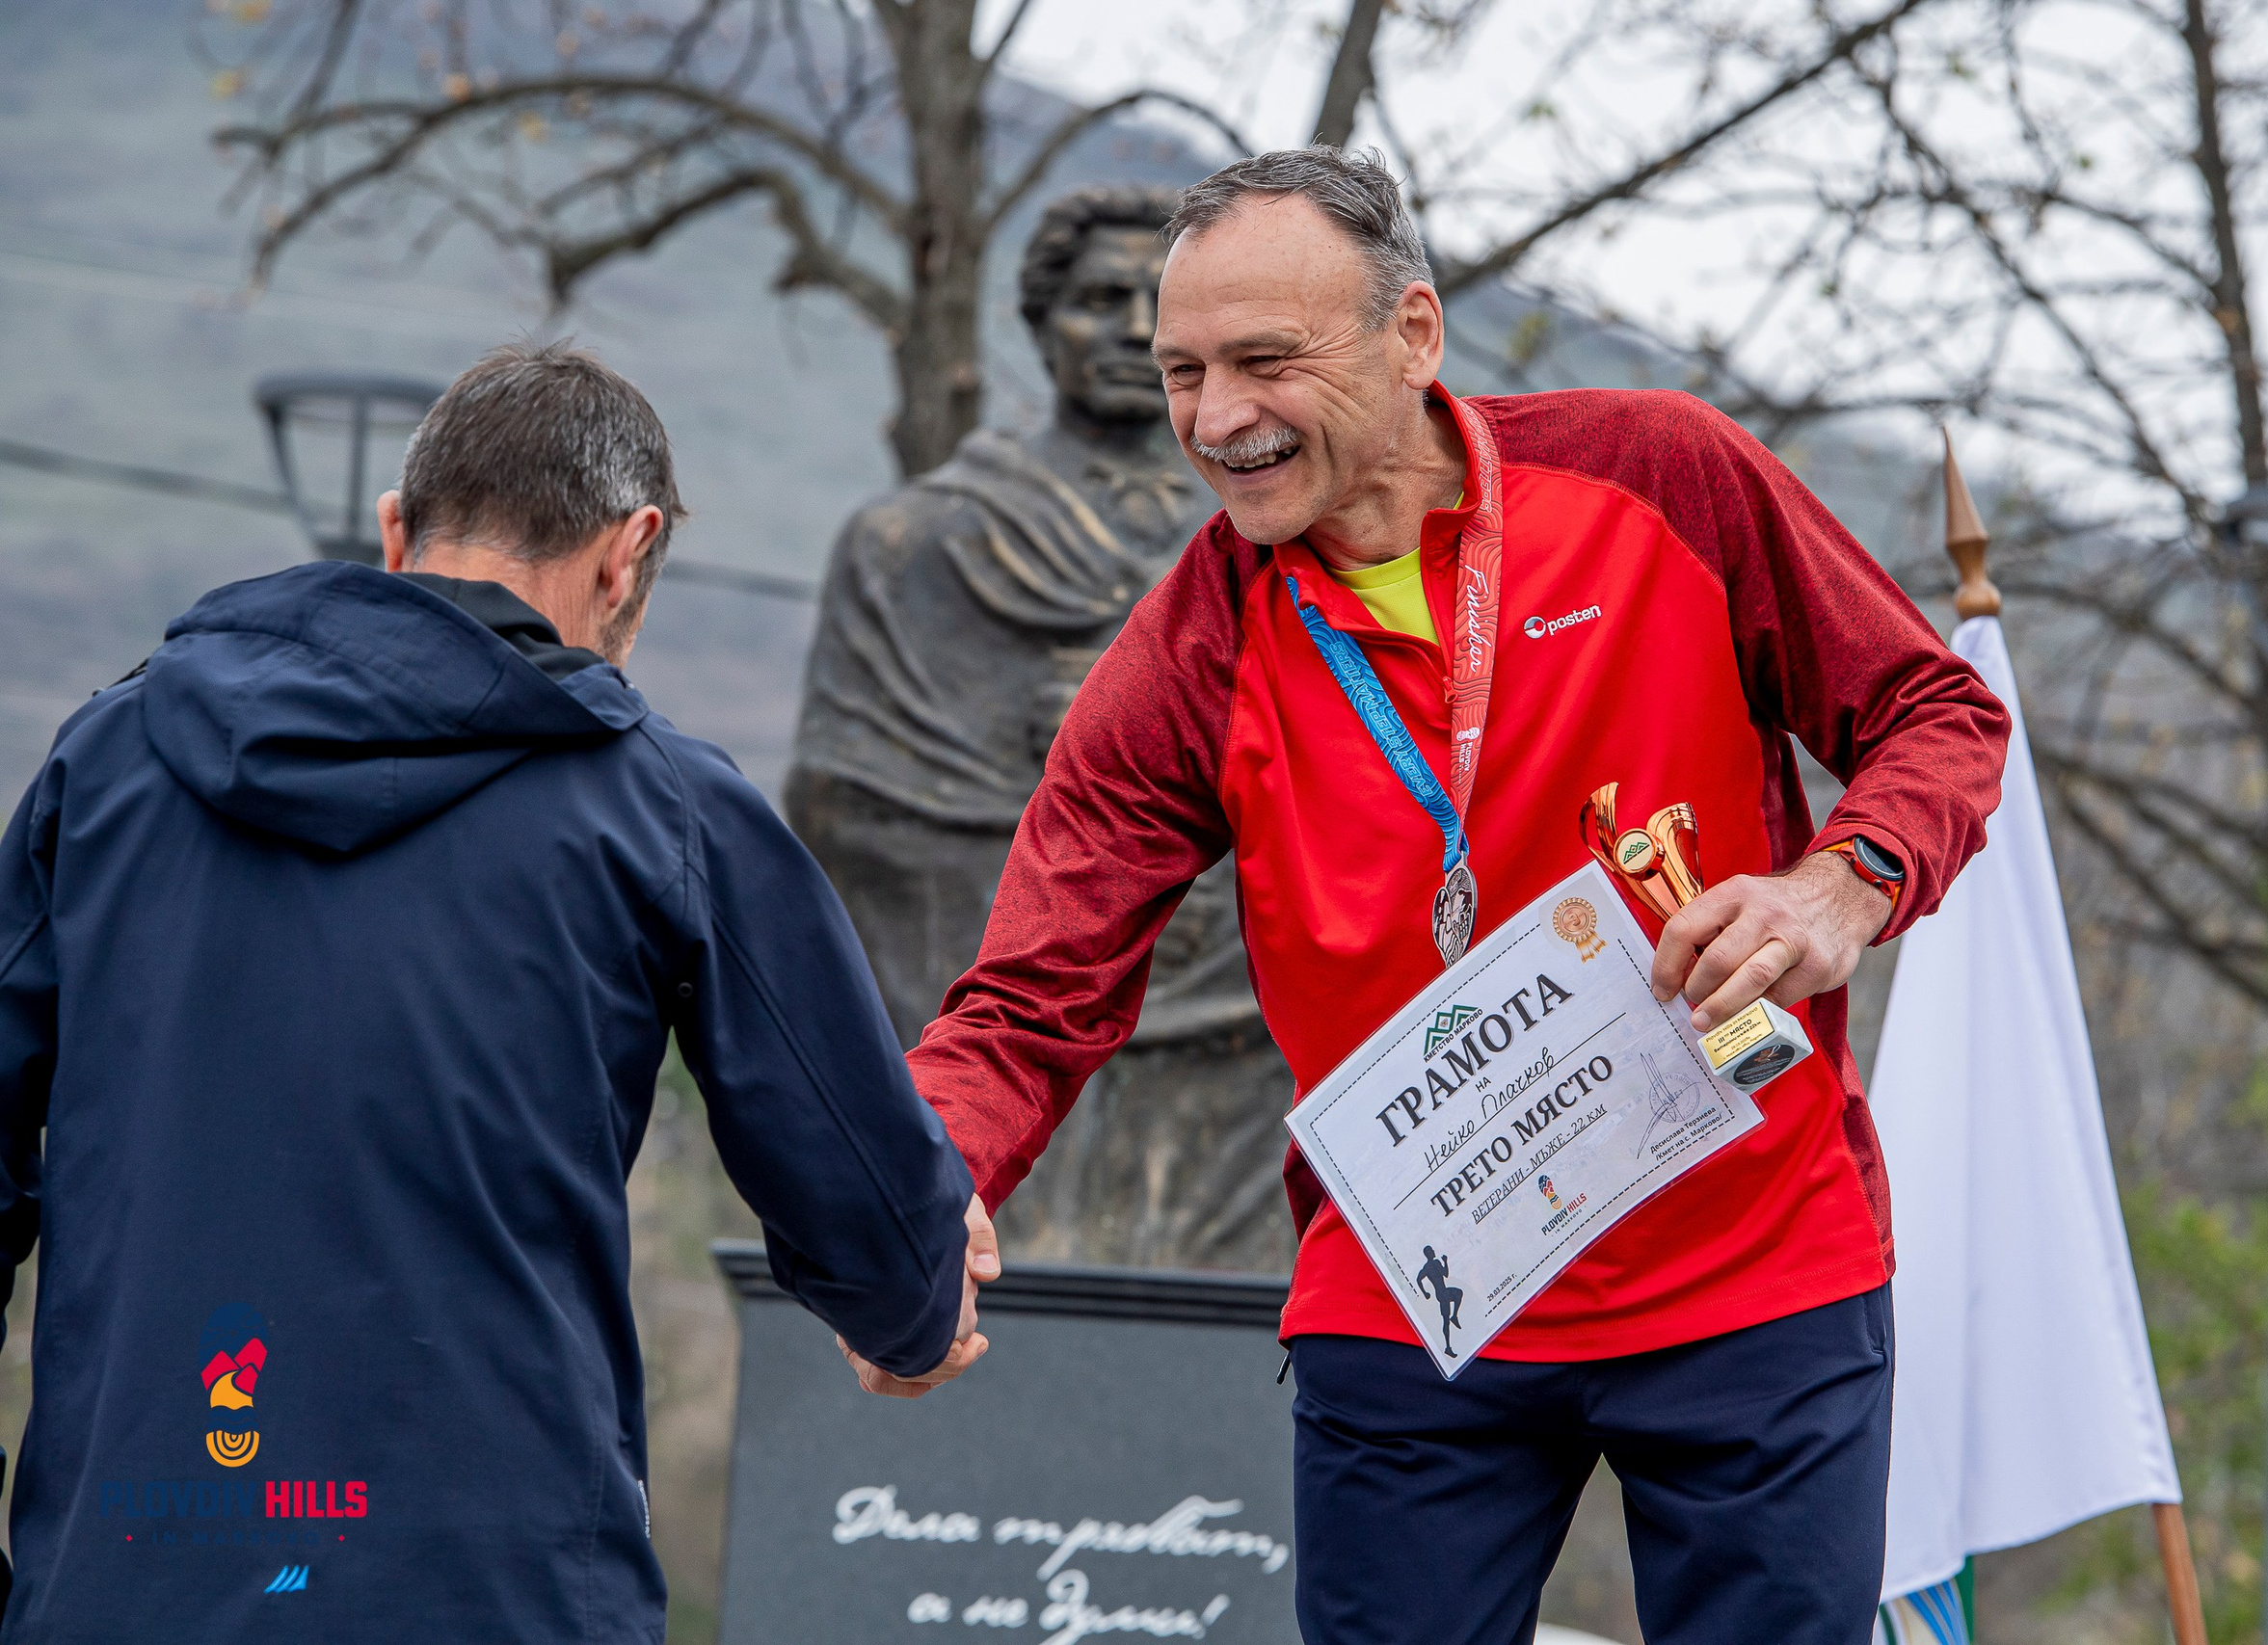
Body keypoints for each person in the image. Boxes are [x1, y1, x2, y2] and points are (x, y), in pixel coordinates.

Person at [881, 148, 2014, 1644]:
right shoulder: (1190, 651)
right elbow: (1031, 990)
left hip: (1754, 1261)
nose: (1218, 420)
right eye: (1183, 373)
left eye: (1265, 361)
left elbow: (1938, 716)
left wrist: (1835, 886)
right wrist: (912, 1186)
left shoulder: (1661, 471)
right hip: (1418, 1293)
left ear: (1412, 335)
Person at [0, 340, 989, 1640]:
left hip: (125, 1577)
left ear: (395, 530)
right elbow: (866, 1191)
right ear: (625, 554)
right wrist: (915, 1312)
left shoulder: (107, 760)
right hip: (497, 1595)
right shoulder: (666, 810)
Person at [787, 185, 1294, 1272]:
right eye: (1092, 298)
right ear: (1036, 321)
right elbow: (854, 815)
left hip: (1254, 1014)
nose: (1120, 328)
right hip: (1021, 987)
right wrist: (1069, 774)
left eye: (1145, 304)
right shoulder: (917, 544)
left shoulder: (1287, 533)